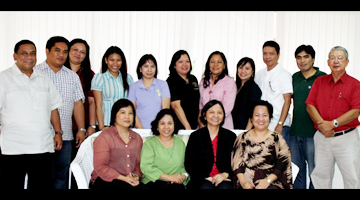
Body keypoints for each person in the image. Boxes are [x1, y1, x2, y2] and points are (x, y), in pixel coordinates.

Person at [0, 40, 63, 189]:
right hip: (12, 147)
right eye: (24, 53)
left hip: (42, 145)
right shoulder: (3, 78)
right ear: (15, 56)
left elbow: (53, 107)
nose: (29, 57)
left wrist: (58, 133)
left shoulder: (44, 78)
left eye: (32, 53)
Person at [305, 46, 360, 189]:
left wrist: (333, 124)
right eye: (333, 58)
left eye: (340, 58)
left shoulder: (355, 84)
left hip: (346, 139)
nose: (336, 61)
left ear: (347, 62)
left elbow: (356, 111)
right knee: (320, 177)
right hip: (322, 138)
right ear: (328, 62)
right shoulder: (319, 81)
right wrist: (322, 125)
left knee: (352, 178)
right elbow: (309, 105)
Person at [35, 36, 86, 189]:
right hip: (38, 135)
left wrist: (82, 129)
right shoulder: (35, 73)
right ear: (47, 51)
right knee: (39, 176)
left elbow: (78, 104)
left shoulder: (72, 76)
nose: (61, 55)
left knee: (61, 176)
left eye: (65, 51)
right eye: (57, 50)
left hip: (66, 136)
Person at [232, 100, 292, 189]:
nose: (261, 119)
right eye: (257, 115)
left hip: (272, 182)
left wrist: (267, 181)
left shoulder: (278, 138)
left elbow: (282, 164)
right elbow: (236, 164)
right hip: (246, 182)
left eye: (265, 115)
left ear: (270, 118)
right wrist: (244, 182)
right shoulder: (242, 138)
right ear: (251, 118)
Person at [289, 45, 326, 189]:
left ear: (313, 59)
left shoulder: (322, 77)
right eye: (298, 57)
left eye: (306, 57)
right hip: (295, 132)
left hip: (314, 133)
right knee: (296, 171)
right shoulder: (294, 78)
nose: (302, 60)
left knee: (314, 172)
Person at [90, 99, 144, 189]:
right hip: (105, 180)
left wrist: (135, 176)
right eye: (123, 112)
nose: (127, 116)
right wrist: (123, 178)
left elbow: (138, 164)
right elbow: (100, 167)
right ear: (114, 115)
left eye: (130, 113)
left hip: (128, 181)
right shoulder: (105, 136)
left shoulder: (137, 138)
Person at [185, 100, 236, 189]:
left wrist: (225, 174)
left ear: (223, 116)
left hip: (224, 178)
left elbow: (236, 161)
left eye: (219, 113)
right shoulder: (195, 136)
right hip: (202, 178)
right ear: (204, 115)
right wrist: (205, 177)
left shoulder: (230, 136)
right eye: (212, 112)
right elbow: (189, 163)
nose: (216, 116)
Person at [254, 41, 292, 142]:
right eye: (265, 53)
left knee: (278, 156)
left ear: (278, 55)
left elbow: (287, 100)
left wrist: (280, 124)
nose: (267, 56)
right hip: (261, 124)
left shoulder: (284, 74)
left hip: (278, 124)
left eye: (271, 53)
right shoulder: (259, 74)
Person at [140, 109, 188, 189]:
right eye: (162, 123)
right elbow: (146, 167)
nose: (166, 127)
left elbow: (185, 166)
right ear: (157, 126)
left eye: (170, 123)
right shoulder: (149, 144)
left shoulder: (180, 143)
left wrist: (182, 177)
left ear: (174, 125)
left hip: (175, 184)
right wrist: (169, 177)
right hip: (154, 182)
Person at [91, 46, 134, 131]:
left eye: (118, 60)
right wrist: (101, 127)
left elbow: (131, 103)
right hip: (106, 124)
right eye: (112, 60)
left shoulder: (128, 78)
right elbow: (98, 105)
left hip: (124, 124)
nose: (115, 63)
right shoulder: (100, 78)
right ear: (106, 60)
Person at [128, 54, 170, 129]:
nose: (149, 70)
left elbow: (165, 111)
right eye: (146, 66)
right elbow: (131, 112)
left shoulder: (163, 85)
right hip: (139, 130)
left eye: (152, 66)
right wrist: (142, 131)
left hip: (159, 131)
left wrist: (158, 129)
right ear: (140, 69)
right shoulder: (133, 87)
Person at [64, 38, 96, 137]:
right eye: (75, 50)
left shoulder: (90, 75)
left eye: (82, 52)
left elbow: (92, 102)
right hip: (60, 123)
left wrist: (92, 126)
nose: (78, 53)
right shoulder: (59, 71)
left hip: (81, 126)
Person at [198, 51, 237, 130]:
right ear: (208, 64)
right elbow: (200, 106)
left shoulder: (229, 82)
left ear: (224, 65)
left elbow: (227, 108)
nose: (215, 65)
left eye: (219, 62)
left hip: (223, 126)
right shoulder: (203, 81)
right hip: (204, 125)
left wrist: (212, 121)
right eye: (212, 62)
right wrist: (201, 122)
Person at [166, 50, 200, 130]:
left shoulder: (193, 79)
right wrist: (187, 126)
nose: (184, 64)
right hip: (180, 126)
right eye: (180, 61)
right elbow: (175, 106)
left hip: (194, 125)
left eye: (187, 61)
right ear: (174, 65)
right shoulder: (171, 81)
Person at [232, 57, 262, 130]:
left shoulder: (254, 89)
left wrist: (246, 132)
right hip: (231, 126)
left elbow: (253, 113)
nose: (243, 71)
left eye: (247, 68)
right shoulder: (233, 85)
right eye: (240, 68)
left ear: (252, 71)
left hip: (244, 128)